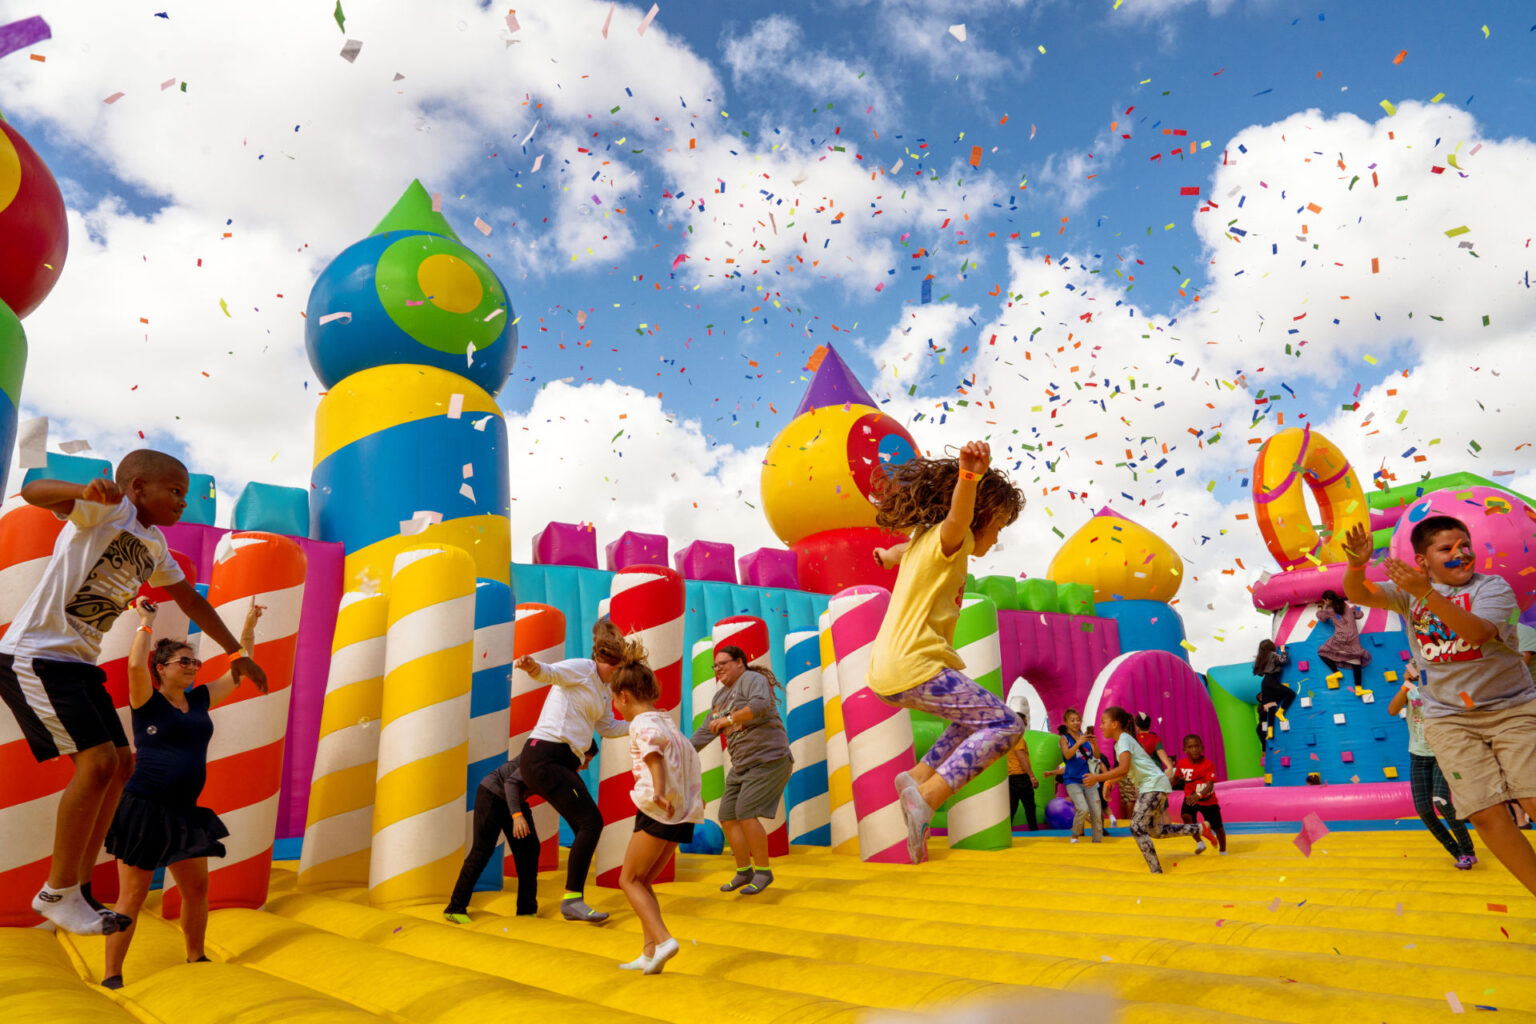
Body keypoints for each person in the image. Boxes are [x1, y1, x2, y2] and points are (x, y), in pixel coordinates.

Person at [0, 451, 267, 936]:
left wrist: (234, 652)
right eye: (176, 492)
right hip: (35, 654)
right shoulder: (111, 511)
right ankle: (56, 890)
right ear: (139, 486)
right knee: (98, 763)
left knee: (123, 764)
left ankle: (78, 887)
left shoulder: (156, 545)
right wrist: (83, 492)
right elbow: (35, 493)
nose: (183, 502)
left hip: (77, 663)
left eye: (186, 495)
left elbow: (191, 600)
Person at [1342, 516, 1536, 899]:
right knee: (1482, 811)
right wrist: (1355, 565)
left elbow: (1477, 633)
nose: (1460, 554)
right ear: (1422, 560)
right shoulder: (1408, 593)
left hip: (1510, 708)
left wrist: (1427, 594)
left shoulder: (1492, 587)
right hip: (1449, 718)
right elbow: (1359, 593)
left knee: (1531, 797)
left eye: (1464, 545)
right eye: (1446, 548)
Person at [868, 440, 1025, 863]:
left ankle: (915, 777)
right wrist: (969, 476)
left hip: (888, 671)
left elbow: (904, 550)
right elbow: (959, 514)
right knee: (1007, 724)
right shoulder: (951, 537)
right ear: (981, 518)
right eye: (998, 528)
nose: (996, 538)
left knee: (975, 718)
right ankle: (929, 796)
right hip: (916, 663)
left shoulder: (922, 543)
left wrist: (886, 555)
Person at [101, 597, 262, 989]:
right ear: (162, 669)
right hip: (145, 809)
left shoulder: (201, 699)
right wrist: (146, 621)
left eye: (195, 662)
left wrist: (247, 632)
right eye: (184, 662)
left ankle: (196, 955)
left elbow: (237, 675)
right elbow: (134, 665)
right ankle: (112, 976)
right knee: (133, 896)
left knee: (196, 889)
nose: (192, 667)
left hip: (184, 812)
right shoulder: (147, 701)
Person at [514, 619, 632, 923]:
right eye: (610, 666)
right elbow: (550, 673)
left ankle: (572, 899)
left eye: (616, 667)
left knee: (588, 823)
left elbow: (608, 727)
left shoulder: (604, 691)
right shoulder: (582, 668)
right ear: (599, 660)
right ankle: (572, 900)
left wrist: (642, 722)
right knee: (591, 822)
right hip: (545, 755)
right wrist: (530, 666)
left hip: (558, 760)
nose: (612, 672)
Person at [608, 639, 703, 975]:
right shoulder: (668, 723)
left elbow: (652, 756)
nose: (615, 706)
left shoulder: (642, 724)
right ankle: (650, 952)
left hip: (658, 807)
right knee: (644, 880)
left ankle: (663, 940)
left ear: (624, 696)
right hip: (682, 813)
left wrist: (659, 792)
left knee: (628, 879)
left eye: (614, 699)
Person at [443, 741, 599, 924]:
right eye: (585, 761)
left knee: (529, 849)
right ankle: (455, 907)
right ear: (577, 753)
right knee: (482, 850)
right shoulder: (550, 759)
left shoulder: (566, 770)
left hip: (516, 800)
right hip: (493, 794)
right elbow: (511, 783)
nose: (586, 767)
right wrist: (517, 815)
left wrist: (583, 835)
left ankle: (526, 909)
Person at [690, 645, 792, 895]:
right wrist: (677, 749)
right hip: (743, 765)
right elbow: (705, 733)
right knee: (727, 815)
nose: (718, 669)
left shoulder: (751, 679)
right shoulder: (719, 698)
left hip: (768, 760)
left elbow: (760, 706)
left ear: (739, 662)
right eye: (715, 666)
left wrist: (729, 719)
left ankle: (764, 872)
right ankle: (744, 870)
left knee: (746, 813)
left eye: (723, 663)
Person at [1084, 706, 1210, 874]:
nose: (1100, 726)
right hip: (1154, 785)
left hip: (1153, 785)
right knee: (1155, 831)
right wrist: (1108, 783)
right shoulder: (1121, 743)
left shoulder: (1123, 740)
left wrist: (1098, 778)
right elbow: (1126, 771)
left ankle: (1156, 871)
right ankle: (1200, 829)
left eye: (1103, 722)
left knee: (1136, 826)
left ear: (1114, 724)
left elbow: (1122, 769)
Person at [1387, 661, 1475, 869]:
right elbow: (1392, 710)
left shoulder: (1446, 688)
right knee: (1424, 809)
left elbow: (1470, 705)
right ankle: (1457, 853)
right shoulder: (1410, 691)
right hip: (1418, 756)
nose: (1413, 671)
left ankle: (1468, 850)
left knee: (1441, 801)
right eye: (1411, 669)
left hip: (1442, 753)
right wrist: (1405, 685)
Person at [1171, 734, 1226, 855]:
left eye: (1197, 746)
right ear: (1184, 749)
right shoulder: (1182, 763)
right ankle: (1200, 843)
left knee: (1218, 828)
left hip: (1207, 800)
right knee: (1186, 816)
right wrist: (1163, 787)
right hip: (1190, 798)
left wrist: (1198, 796)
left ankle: (1223, 851)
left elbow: (1210, 785)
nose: (1194, 749)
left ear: (1202, 748)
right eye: (1190, 747)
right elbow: (1175, 778)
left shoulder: (1207, 764)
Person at [1056, 709, 1102, 843]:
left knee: (1097, 812)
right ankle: (1075, 835)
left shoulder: (1085, 736)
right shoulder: (1064, 739)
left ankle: (1097, 841)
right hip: (1072, 780)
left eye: (1078, 720)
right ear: (1066, 723)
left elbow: (1097, 756)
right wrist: (1078, 743)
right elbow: (1067, 755)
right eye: (1072, 720)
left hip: (1088, 779)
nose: (1076, 723)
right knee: (1083, 808)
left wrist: (1094, 743)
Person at [1122, 711, 1175, 819]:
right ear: (1150, 725)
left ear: (1136, 726)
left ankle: (1144, 832)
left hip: (1141, 778)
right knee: (1162, 809)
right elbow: (1161, 753)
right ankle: (1167, 833)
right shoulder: (1154, 738)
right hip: (1156, 777)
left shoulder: (1133, 740)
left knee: (1143, 807)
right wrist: (1169, 767)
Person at [1317, 589, 1370, 691]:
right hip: (1353, 636)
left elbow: (1322, 618)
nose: (1325, 603)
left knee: (1322, 652)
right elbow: (1359, 615)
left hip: (1341, 637)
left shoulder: (1329, 609)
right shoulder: (1346, 605)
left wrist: (1320, 608)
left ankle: (1336, 672)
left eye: (1325, 601)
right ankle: (1358, 688)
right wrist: (1357, 607)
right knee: (1356, 660)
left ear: (1327, 600)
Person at [1252, 639, 1293, 752]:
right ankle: (1281, 711)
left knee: (1271, 707)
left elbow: (1259, 672)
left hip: (1265, 683)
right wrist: (1284, 651)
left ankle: (1270, 732)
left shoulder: (1262, 658)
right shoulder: (1272, 655)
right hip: (1272, 681)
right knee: (1291, 694)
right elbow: (1284, 660)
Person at [1004, 713, 1039, 832]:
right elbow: (1021, 757)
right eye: (1024, 723)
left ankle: (1006, 832)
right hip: (1021, 776)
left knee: (1012, 807)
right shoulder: (1018, 738)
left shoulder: (1009, 739)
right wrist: (1032, 776)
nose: (1025, 726)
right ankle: (1034, 831)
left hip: (1011, 777)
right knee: (1029, 806)